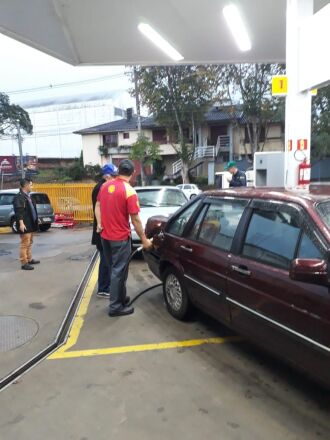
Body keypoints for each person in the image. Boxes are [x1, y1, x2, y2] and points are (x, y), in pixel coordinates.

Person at [95, 159, 153, 317]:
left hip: (105, 236)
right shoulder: (129, 191)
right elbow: (135, 219)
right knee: (119, 272)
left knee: (115, 269)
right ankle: (115, 307)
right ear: (133, 172)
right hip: (119, 238)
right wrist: (144, 239)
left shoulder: (105, 185)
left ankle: (120, 298)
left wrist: (99, 224)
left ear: (118, 170)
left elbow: (98, 205)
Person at [91, 163, 118, 298]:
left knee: (107, 260)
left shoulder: (103, 186)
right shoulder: (101, 188)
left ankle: (105, 286)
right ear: (106, 176)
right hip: (102, 230)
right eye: (113, 176)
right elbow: (99, 208)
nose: (115, 178)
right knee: (106, 260)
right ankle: (103, 288)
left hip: (104, 230)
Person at [13, 178, 40, 270]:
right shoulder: (18, 197)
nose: (32, 186)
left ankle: (29, 259)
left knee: (30, 242)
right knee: (25, 244)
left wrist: (36, 219)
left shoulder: (28, 197)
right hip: (25, 224)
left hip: (31, 223)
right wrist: (21, 224)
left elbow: (32, 210)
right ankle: (24, 263)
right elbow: (19, 211)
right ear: (26, 185)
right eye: (31, 185)